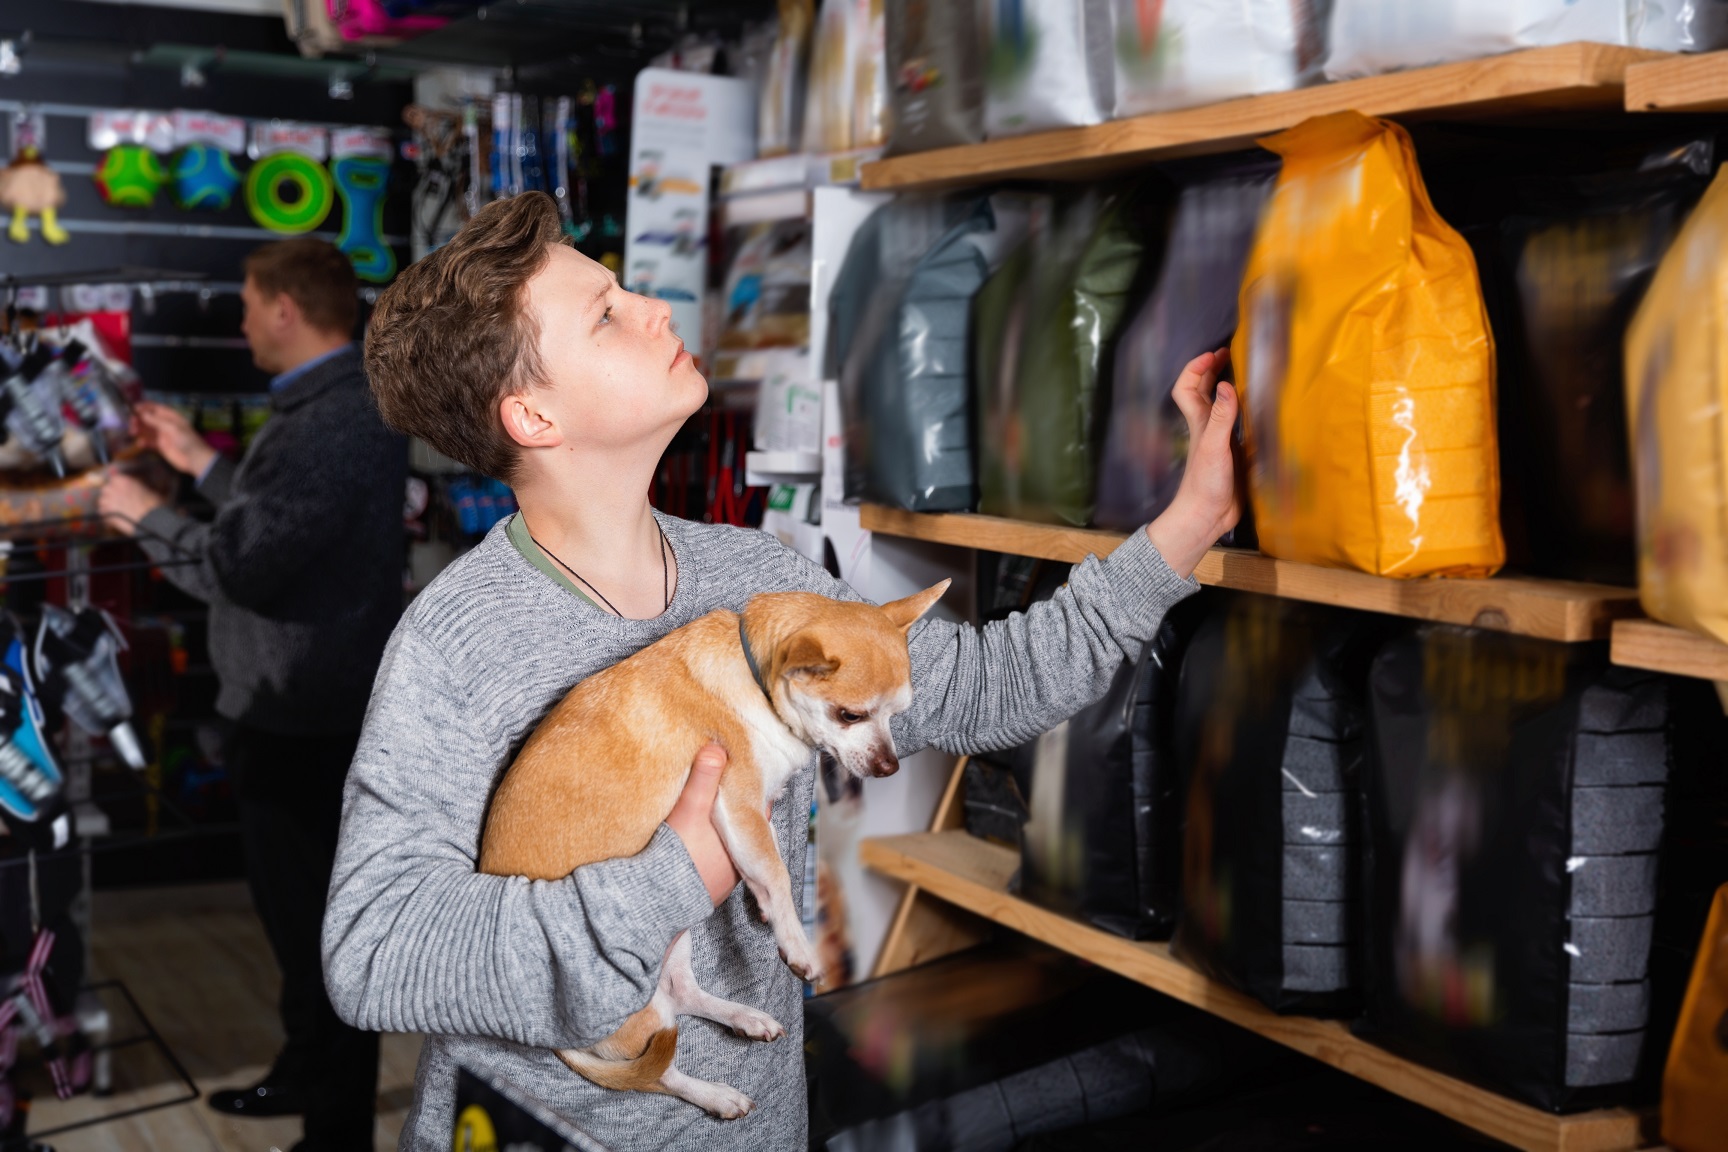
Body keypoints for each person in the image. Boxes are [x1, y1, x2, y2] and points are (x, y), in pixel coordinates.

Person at [326, 191, 1239, 1151]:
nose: (657, 309)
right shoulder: (458, 640)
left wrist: (1187, 527)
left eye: (629, 291)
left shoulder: (762, 580)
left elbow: (985, 686)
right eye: (607, 314)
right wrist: (676, 875)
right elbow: (376, 949)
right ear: (533, 414)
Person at [99, 238, 406, 1152]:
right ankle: (307, 1073)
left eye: (245, 306)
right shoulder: (330, 409)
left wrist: (138, 514)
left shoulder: (330, 421)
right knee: (292, 918)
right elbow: (275, 524)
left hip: (305, 717)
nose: (238, 324)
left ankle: (337, 1128)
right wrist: (198, 461)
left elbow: (241, 564)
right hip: (297, 708)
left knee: (317, 928)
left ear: (283, 308)